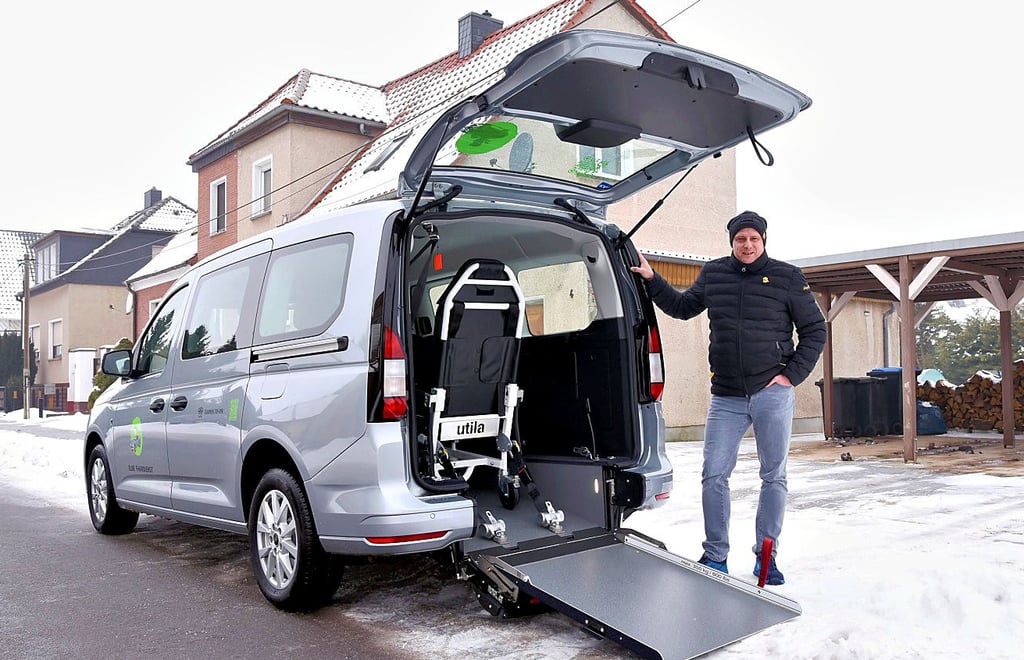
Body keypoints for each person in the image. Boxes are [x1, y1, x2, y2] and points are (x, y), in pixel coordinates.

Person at [631, 210, 826, 585]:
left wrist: (790, 375)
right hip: (727, 396)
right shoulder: (714, 274)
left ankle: (766, 557)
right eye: (741, 239)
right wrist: (653, 280)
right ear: (732, 242)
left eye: (754, 238)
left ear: (764, 240)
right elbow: (683, 308)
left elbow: (815, 330)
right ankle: (716, 555)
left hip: (772, 392)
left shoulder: (787, 277)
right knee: (714, 475)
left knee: (773, 476)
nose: (747, 245)